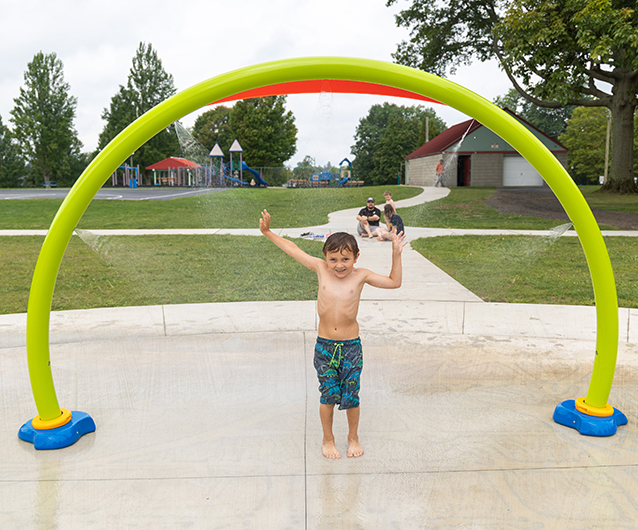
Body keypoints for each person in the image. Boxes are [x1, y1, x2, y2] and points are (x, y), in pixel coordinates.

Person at [259, 209, 407, 459]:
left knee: (351, 395)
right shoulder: (320, 269)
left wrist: (396, 255)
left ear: (356, 257)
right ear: (325, 257)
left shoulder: (361, 276)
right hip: (325, 347)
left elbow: (394, 282)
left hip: (351, 347)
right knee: (327, 395)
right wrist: (268, 232)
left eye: (345, 259)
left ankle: (353, 438)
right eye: (333, 259)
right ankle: (328, 439)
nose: (339, 265)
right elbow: (293, 249)